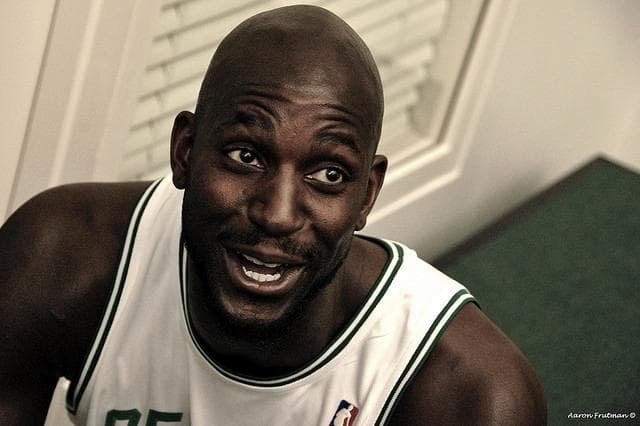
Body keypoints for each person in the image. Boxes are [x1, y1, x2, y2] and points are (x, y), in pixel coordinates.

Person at [0, 5, 546, 425]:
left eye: (328, 173)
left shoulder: (469, 395)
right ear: (185, 152)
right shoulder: (62, 256)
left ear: (367, 195)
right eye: (246, 156)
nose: (278, 215)